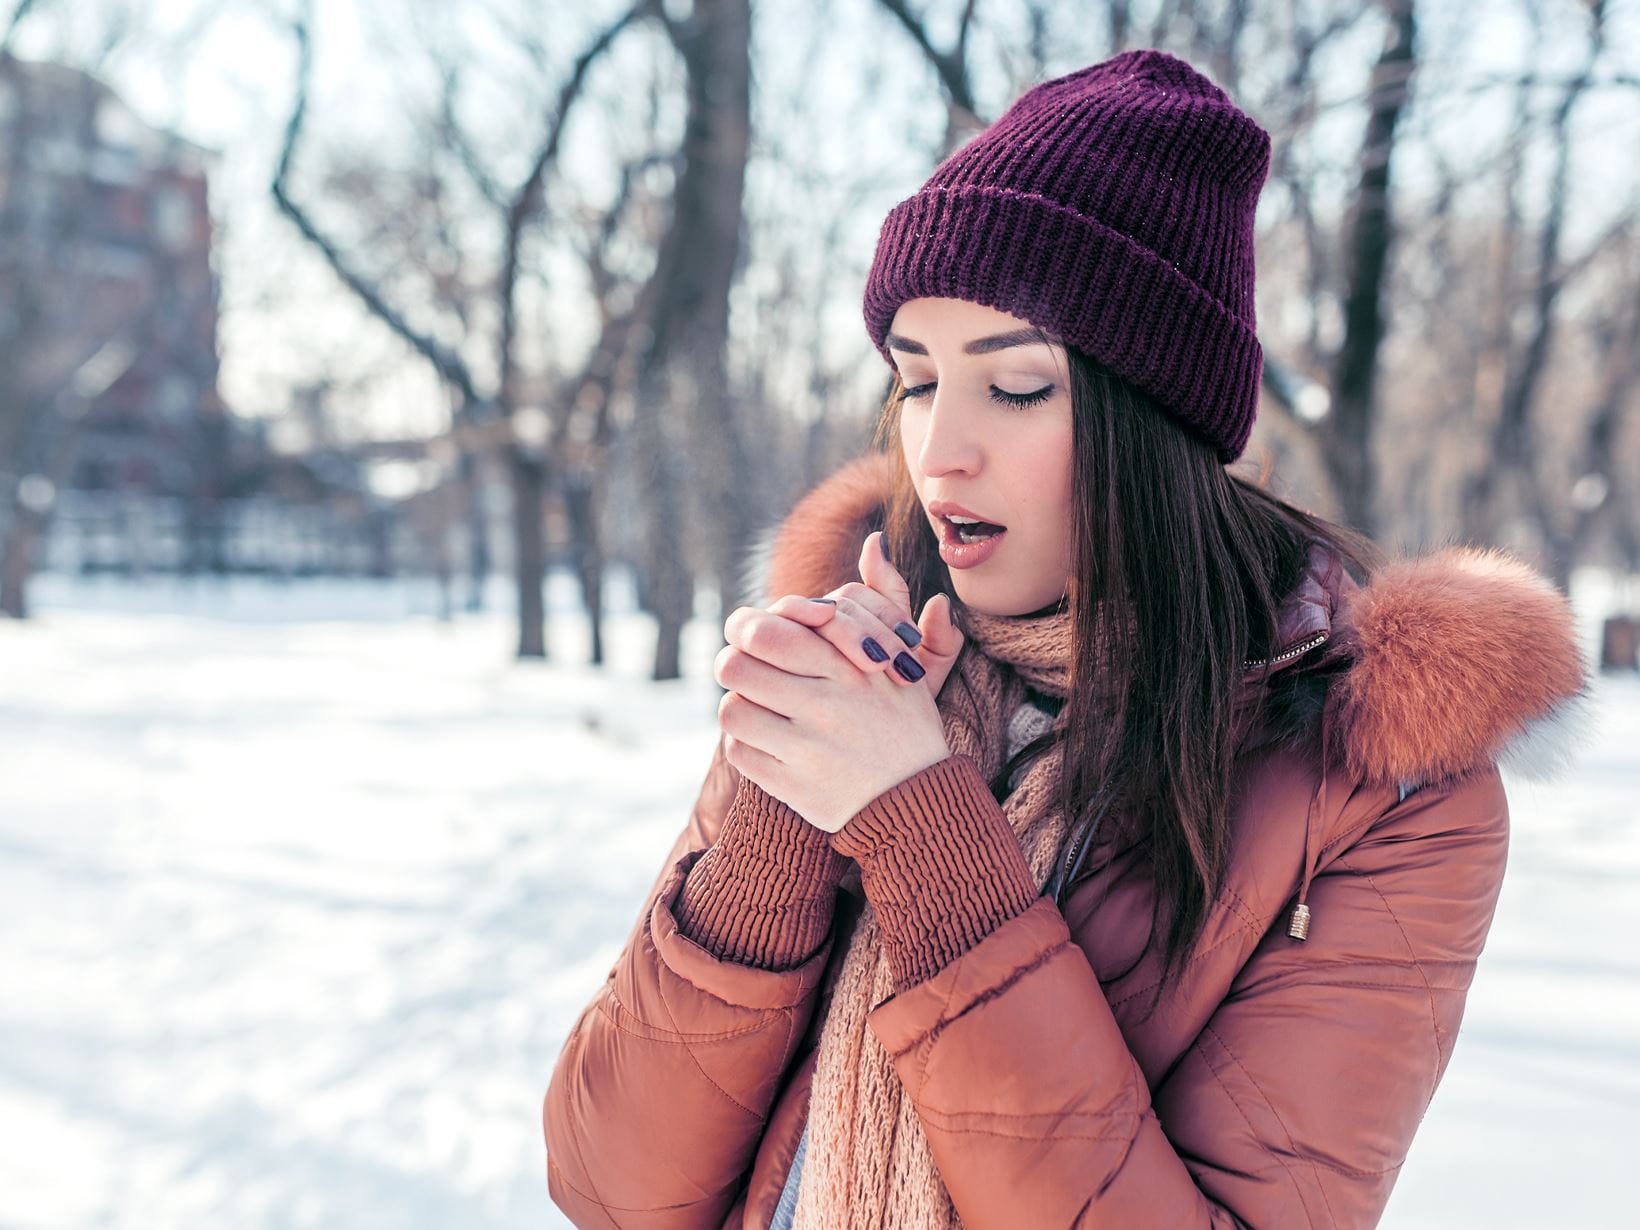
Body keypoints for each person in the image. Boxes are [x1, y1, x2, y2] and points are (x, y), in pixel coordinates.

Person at [543, 48, 1591, 1229]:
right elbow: (613, 1189)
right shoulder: (861, 652)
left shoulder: (1382, 788)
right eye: (917, 379)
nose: (939, 451)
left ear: (1155, 421)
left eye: (1018, 386)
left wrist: (920, 829)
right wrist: (781, 817)